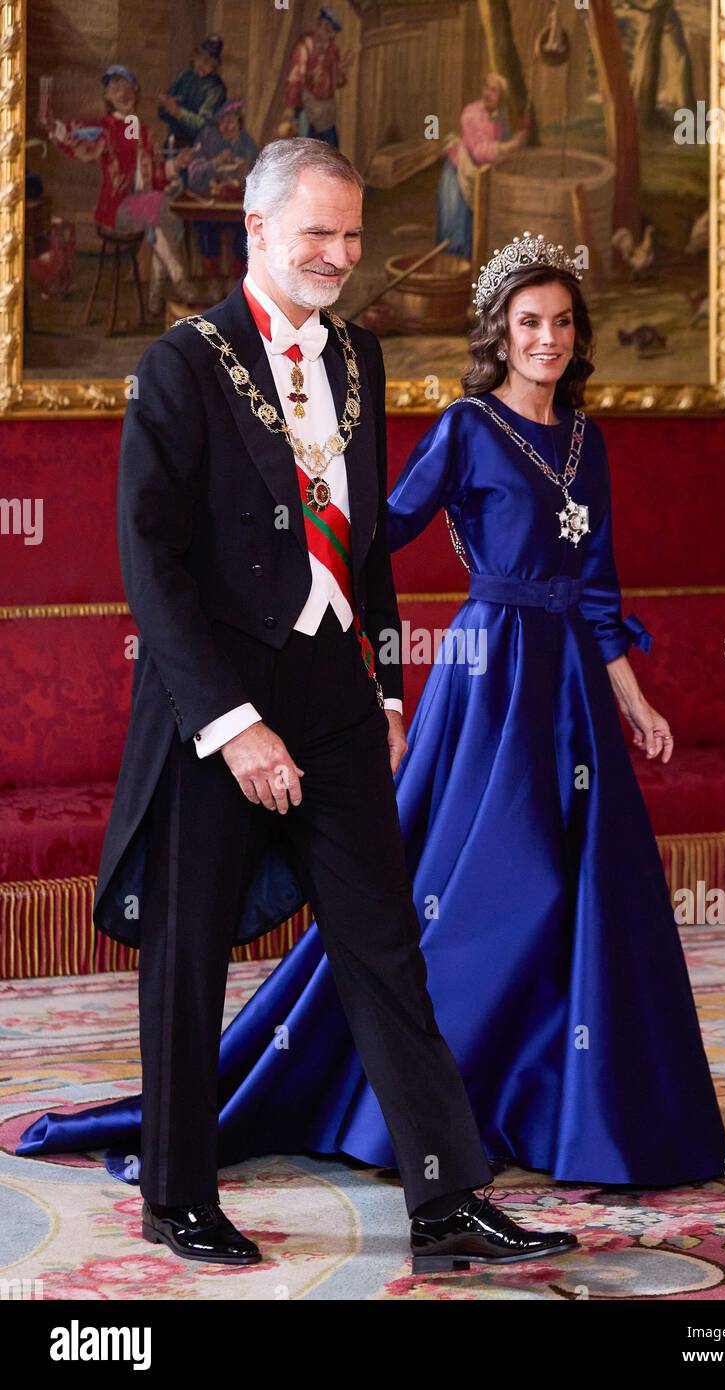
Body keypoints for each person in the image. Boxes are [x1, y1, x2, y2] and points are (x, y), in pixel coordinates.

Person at [17, 146, 576, 1276]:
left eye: (353, 236)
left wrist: (382, 687)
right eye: (318, 235)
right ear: (261, 233)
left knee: (385, 948)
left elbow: (366, 552)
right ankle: (179, 1198)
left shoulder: (360, 360)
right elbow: (152, 565)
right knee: (187, 962)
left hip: (333, 701)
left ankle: (446, 1196)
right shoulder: (182, 365)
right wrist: (234, 724)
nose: (339, 257)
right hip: (209, 712)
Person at [42, 64, 196, 312]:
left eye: (127, 87)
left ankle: (156, 295)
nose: (122, 94)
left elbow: (156, 173)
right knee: (159, 208)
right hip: (116, 209)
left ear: (136, 91)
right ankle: (179, 279)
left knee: (159, 215)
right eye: (115, 89)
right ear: (107, 96)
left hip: (144, 207)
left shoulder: (140, 130)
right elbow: (81, 145)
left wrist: (176, 164)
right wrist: (55, 129)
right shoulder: (105, 129)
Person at [436, 73, 528, 259]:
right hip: (459, 176)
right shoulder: (471, 113)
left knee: (475, 233)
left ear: (502, 97)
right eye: (487, 87)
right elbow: (479, 151)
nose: (488, 93)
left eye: (494, 91)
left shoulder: (500, 117)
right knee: (455, 233)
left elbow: (503, 147)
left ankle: (467, 277)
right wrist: (513, 144)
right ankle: (450, 278)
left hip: (480, 178)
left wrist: (520, 134)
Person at [187, 98, 258, 303]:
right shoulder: (212, 143)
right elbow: (194, 174)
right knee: (206, 226)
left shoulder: (247, 144)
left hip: (240, 205)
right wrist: (215, 163)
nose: (226, 127)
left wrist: (246, 173)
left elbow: (259, 178)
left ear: (239, 122)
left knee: (245, 230)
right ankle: (214, 282)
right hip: (216, 204)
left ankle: (236, 282)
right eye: (222, 123)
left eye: (231, 121)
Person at [281, 7, 353, 147]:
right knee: (306, 150)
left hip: (325, 110)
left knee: (330, 150)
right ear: (319, 26)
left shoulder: (332, 50)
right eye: (325, 29)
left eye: (331, 32)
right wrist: (291, 106)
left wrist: (341, 71)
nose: (328, 36)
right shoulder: (305, 47)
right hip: (307, 107)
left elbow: (337, 81)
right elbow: (295, 78)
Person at [157, 34, 227, 152]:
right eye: (199, 58)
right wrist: (166, 105)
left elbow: (204, 125)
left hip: (199, 149)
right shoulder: (186, 76)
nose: (201, 64)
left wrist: (178, 112)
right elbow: (162, 112)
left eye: (207, 62)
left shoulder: (216, 89)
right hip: (173, 143)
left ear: (214, 66)